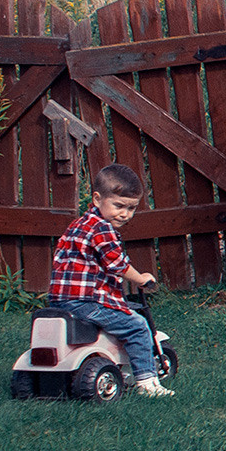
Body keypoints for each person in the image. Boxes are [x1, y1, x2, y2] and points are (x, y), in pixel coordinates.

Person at [46, 162, 174, 399]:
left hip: (60, 300)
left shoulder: (78, 224)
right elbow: (117, 264)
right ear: (97, 199)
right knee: (136, 326)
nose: (125, 214)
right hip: (85, 301)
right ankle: (147, 383)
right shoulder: (102, 229)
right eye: (119, 206)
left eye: (132, 208)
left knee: (119, 318)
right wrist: (141, 279)